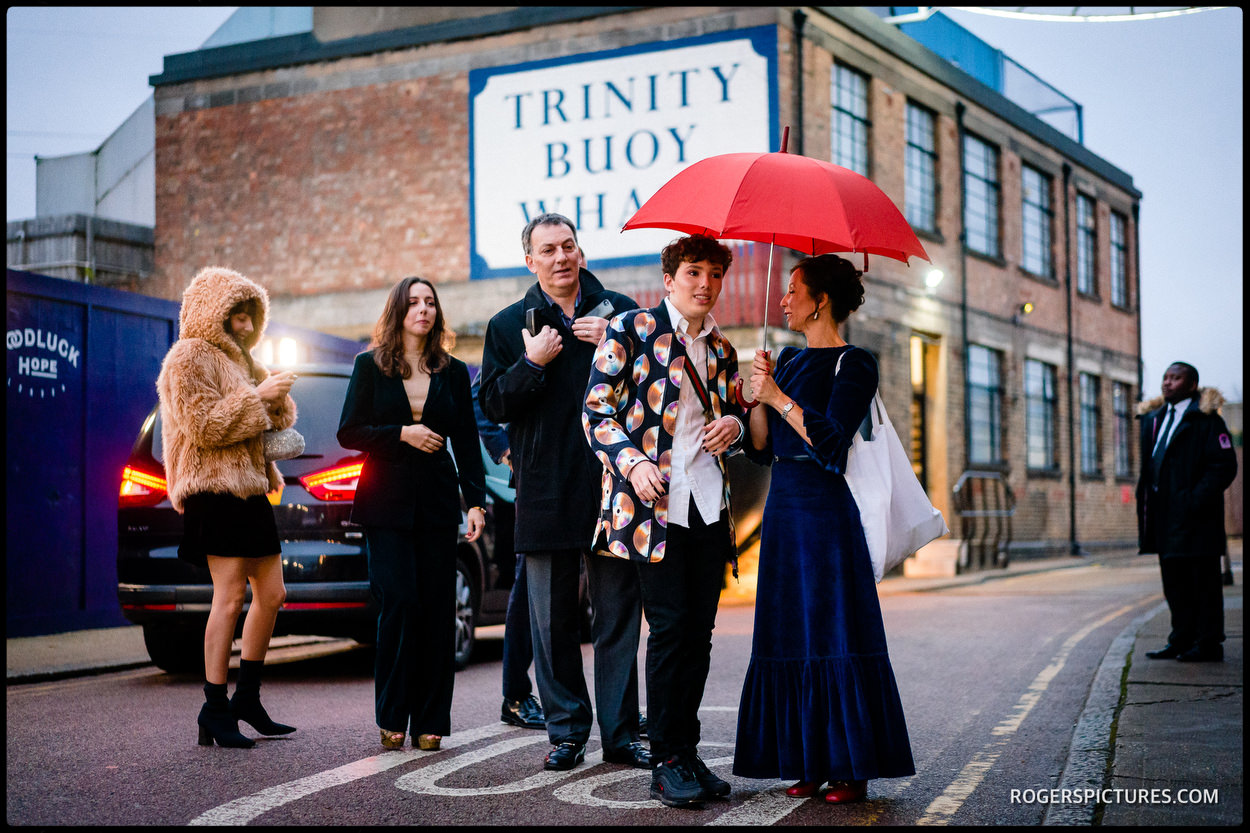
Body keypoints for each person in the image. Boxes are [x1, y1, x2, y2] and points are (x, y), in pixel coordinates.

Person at [732, 253, 915, 804]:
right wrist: (757, 395)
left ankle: (850, 767)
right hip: (784, 508)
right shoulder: (785, 359)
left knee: (835, 629)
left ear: (821, 301)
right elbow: (762, 448)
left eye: (794, 290)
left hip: (828, 511)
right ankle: (807, 760)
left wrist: (779, 398)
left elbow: (833, 446)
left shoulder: (854, 363)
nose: (784, 300)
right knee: (789, 631)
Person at [479, 212, 649, 772]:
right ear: (530, 260)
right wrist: (532, 363)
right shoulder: (508, 325)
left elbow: (652, 391)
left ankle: (622, 733)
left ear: (580, 251)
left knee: (618, 613)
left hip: (613, 486)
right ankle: (567, 730)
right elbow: (494, 405)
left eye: (569, 246)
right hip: (545, 487)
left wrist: (618, 346)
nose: (561, 257)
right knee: (550, 620)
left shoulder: (623, 311)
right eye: (548, 250)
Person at [583, 234, 746, 808]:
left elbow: (729, 420)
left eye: (715, 275)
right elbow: (596, 409)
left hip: (707, 504)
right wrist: (631, 464)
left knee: (697, 635)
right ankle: (666, 758)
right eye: (694, 272)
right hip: (651, 509)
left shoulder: (723, 349)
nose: (706, 284)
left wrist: (736, 429)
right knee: (671, 629)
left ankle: (686, 748)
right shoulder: (630, 330)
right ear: (670, 278)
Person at [338, 276, 487, 751]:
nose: (423, 309)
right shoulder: (369, 366)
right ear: (398, 310)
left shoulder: (454, 370)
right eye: (414, 302)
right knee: (399, 603)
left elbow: (466, 439)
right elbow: (350, 431)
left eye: (430, 302)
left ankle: (430, 720)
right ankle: (391, 714)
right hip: (386, 503)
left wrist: (477, 501)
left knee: (436, 611)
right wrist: (402, 433)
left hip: (439, 503)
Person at [157, 265, 299, 749]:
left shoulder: (242, 361)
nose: (244, 326)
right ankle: (214, 706)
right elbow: (204, 427)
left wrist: (275, 397)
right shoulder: (187, 358)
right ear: (210, 314)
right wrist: (257, 396)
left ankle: (248, 698)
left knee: (274, 593)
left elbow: (276, 418)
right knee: (229, 596)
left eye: (249, 316)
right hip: (213, 491)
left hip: (250, 490)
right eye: (235, 316)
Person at [1136, 362, 1238, 663]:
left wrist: (1193, 500)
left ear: (1192, 385)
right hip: (1163, 518)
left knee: (1202, 584)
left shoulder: (1206, 420)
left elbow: (1224, 466)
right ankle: (1180, 639)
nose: (1167, 383)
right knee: (1174, 583)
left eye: (1176, 378)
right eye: (1166, 377)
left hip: (1197, 519)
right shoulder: (1153, 419)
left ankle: (1208, 644)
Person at [470, 369, 545, 731]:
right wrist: (504, 449)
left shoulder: (602, 318)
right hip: (536, 482)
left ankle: (618, 707)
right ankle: (515, 694)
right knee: (531, 585)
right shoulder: (521, 322)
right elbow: (479, 396)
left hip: (595, 475)